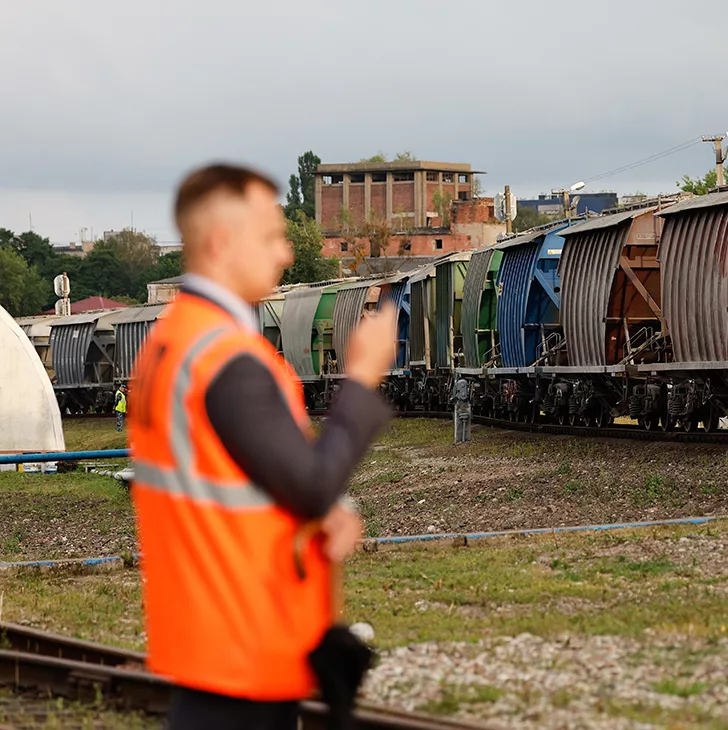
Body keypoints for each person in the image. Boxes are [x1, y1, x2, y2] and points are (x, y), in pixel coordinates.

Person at [127, 164, 398, 730]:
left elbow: (237, 477)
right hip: (243, 651)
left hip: (210, 643)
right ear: (223, 242)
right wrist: (361, 382)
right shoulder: (225, 358)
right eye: (272, 236)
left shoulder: (172, 343)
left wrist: (320, 516)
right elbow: (310, 486)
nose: (285, 254)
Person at [451, 374, 471, 444]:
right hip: (462, 403)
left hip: (460, 404)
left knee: (460, 422)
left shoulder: (458, 384)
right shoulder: (462, 384)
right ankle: (463, 439)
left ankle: (461, 439)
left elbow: (453, 396)